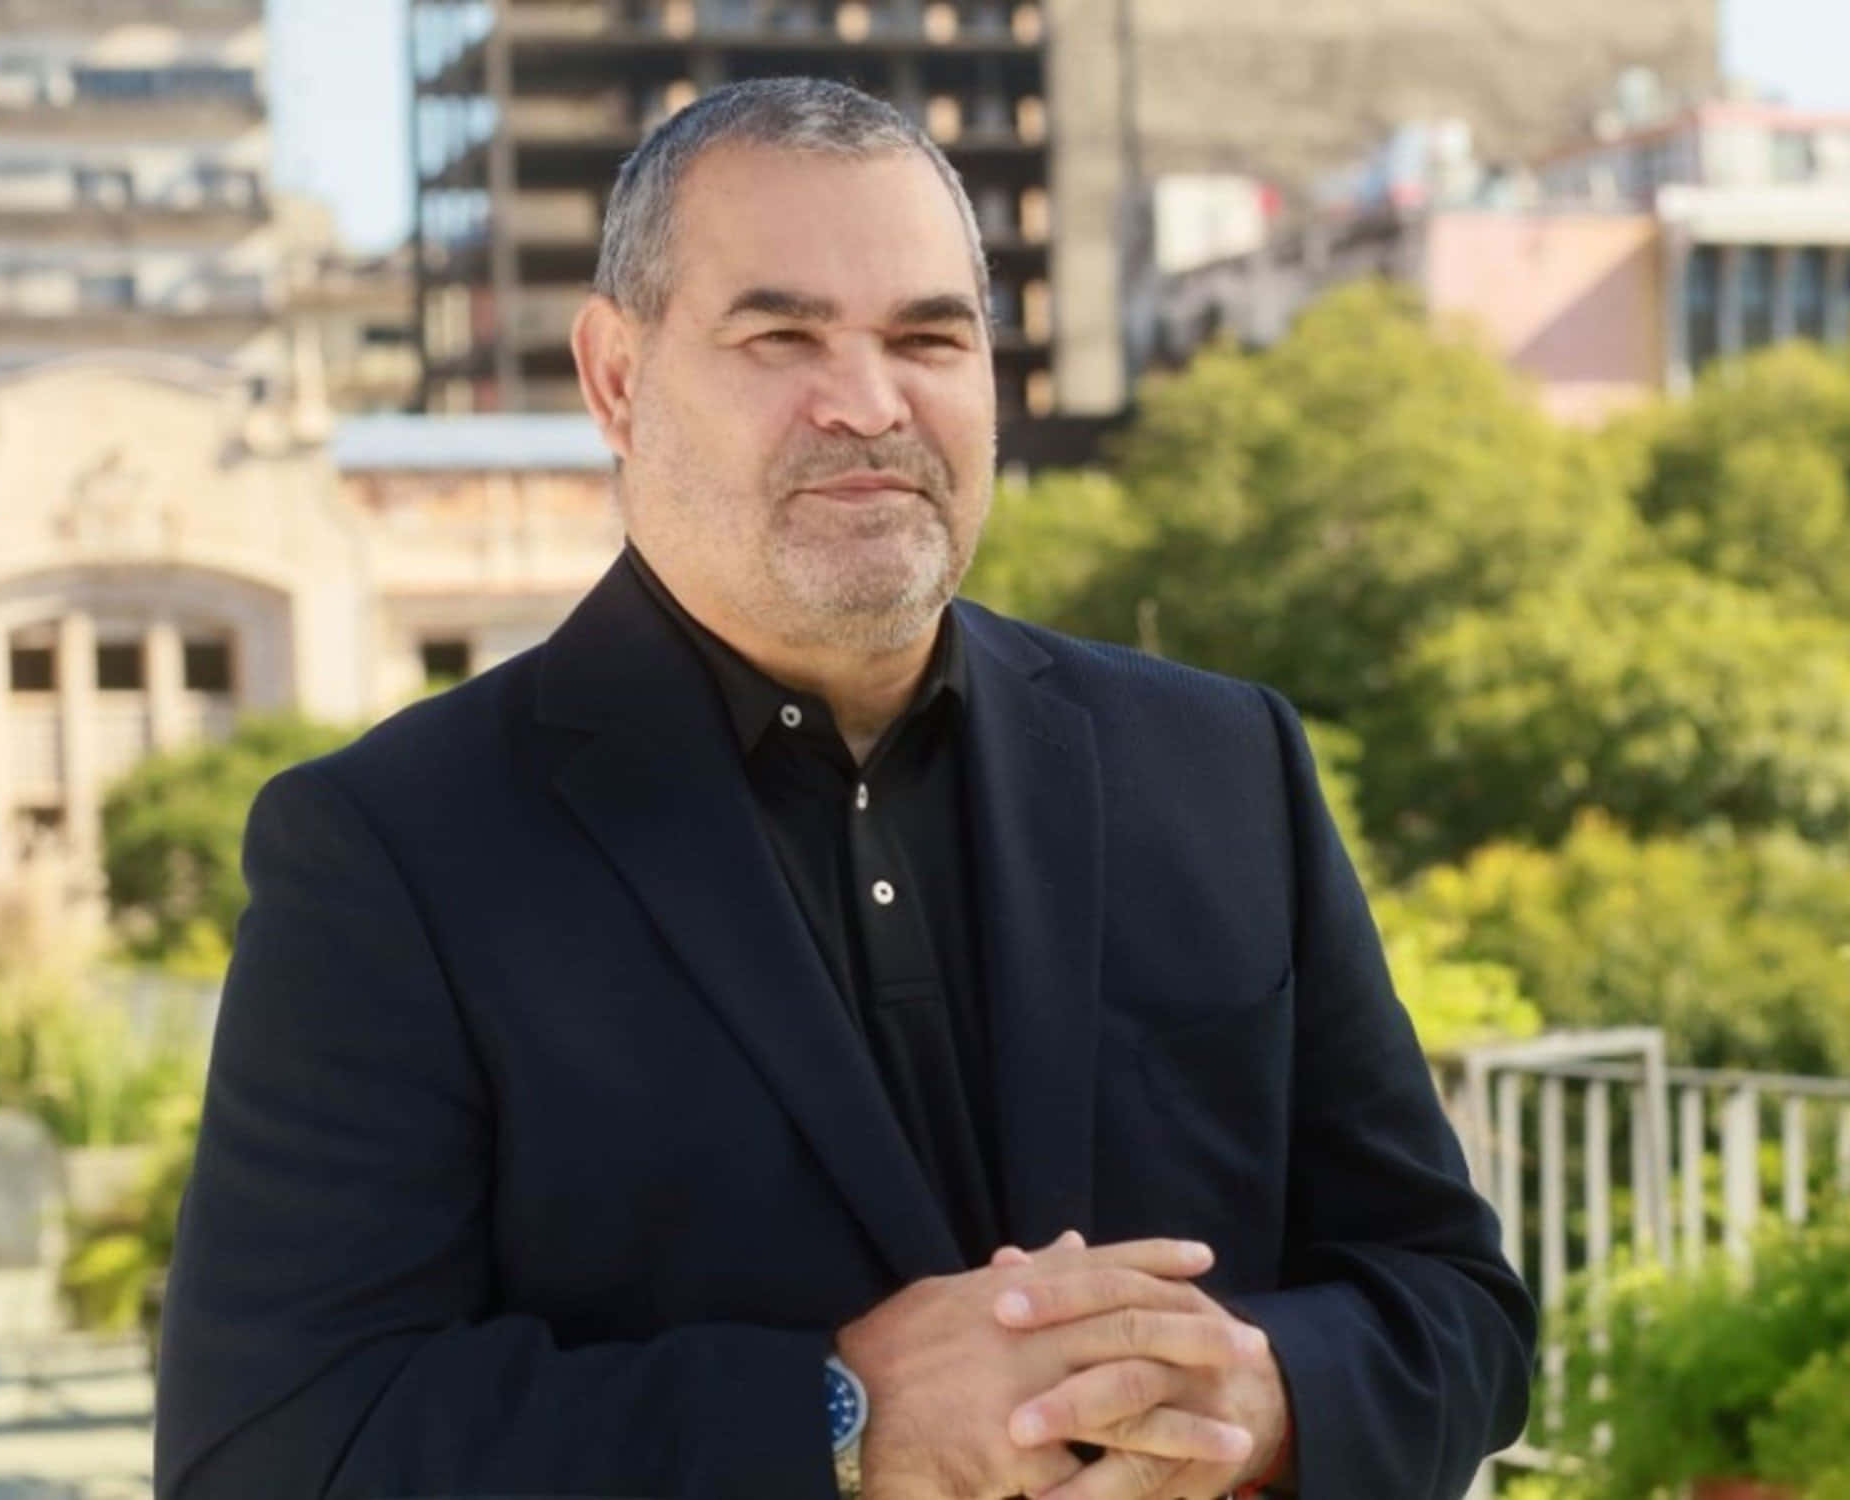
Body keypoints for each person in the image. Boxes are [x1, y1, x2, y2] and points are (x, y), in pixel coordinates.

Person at [153, 78, 1535, 1500]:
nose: (870, 404)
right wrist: (837, 1420)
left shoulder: (1220, 763)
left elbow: (1457, 1310)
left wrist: (1264, 1390)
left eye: (928, 337)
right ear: (617, 380)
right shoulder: (394, 849)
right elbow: (272, 1450)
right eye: (781, 336)